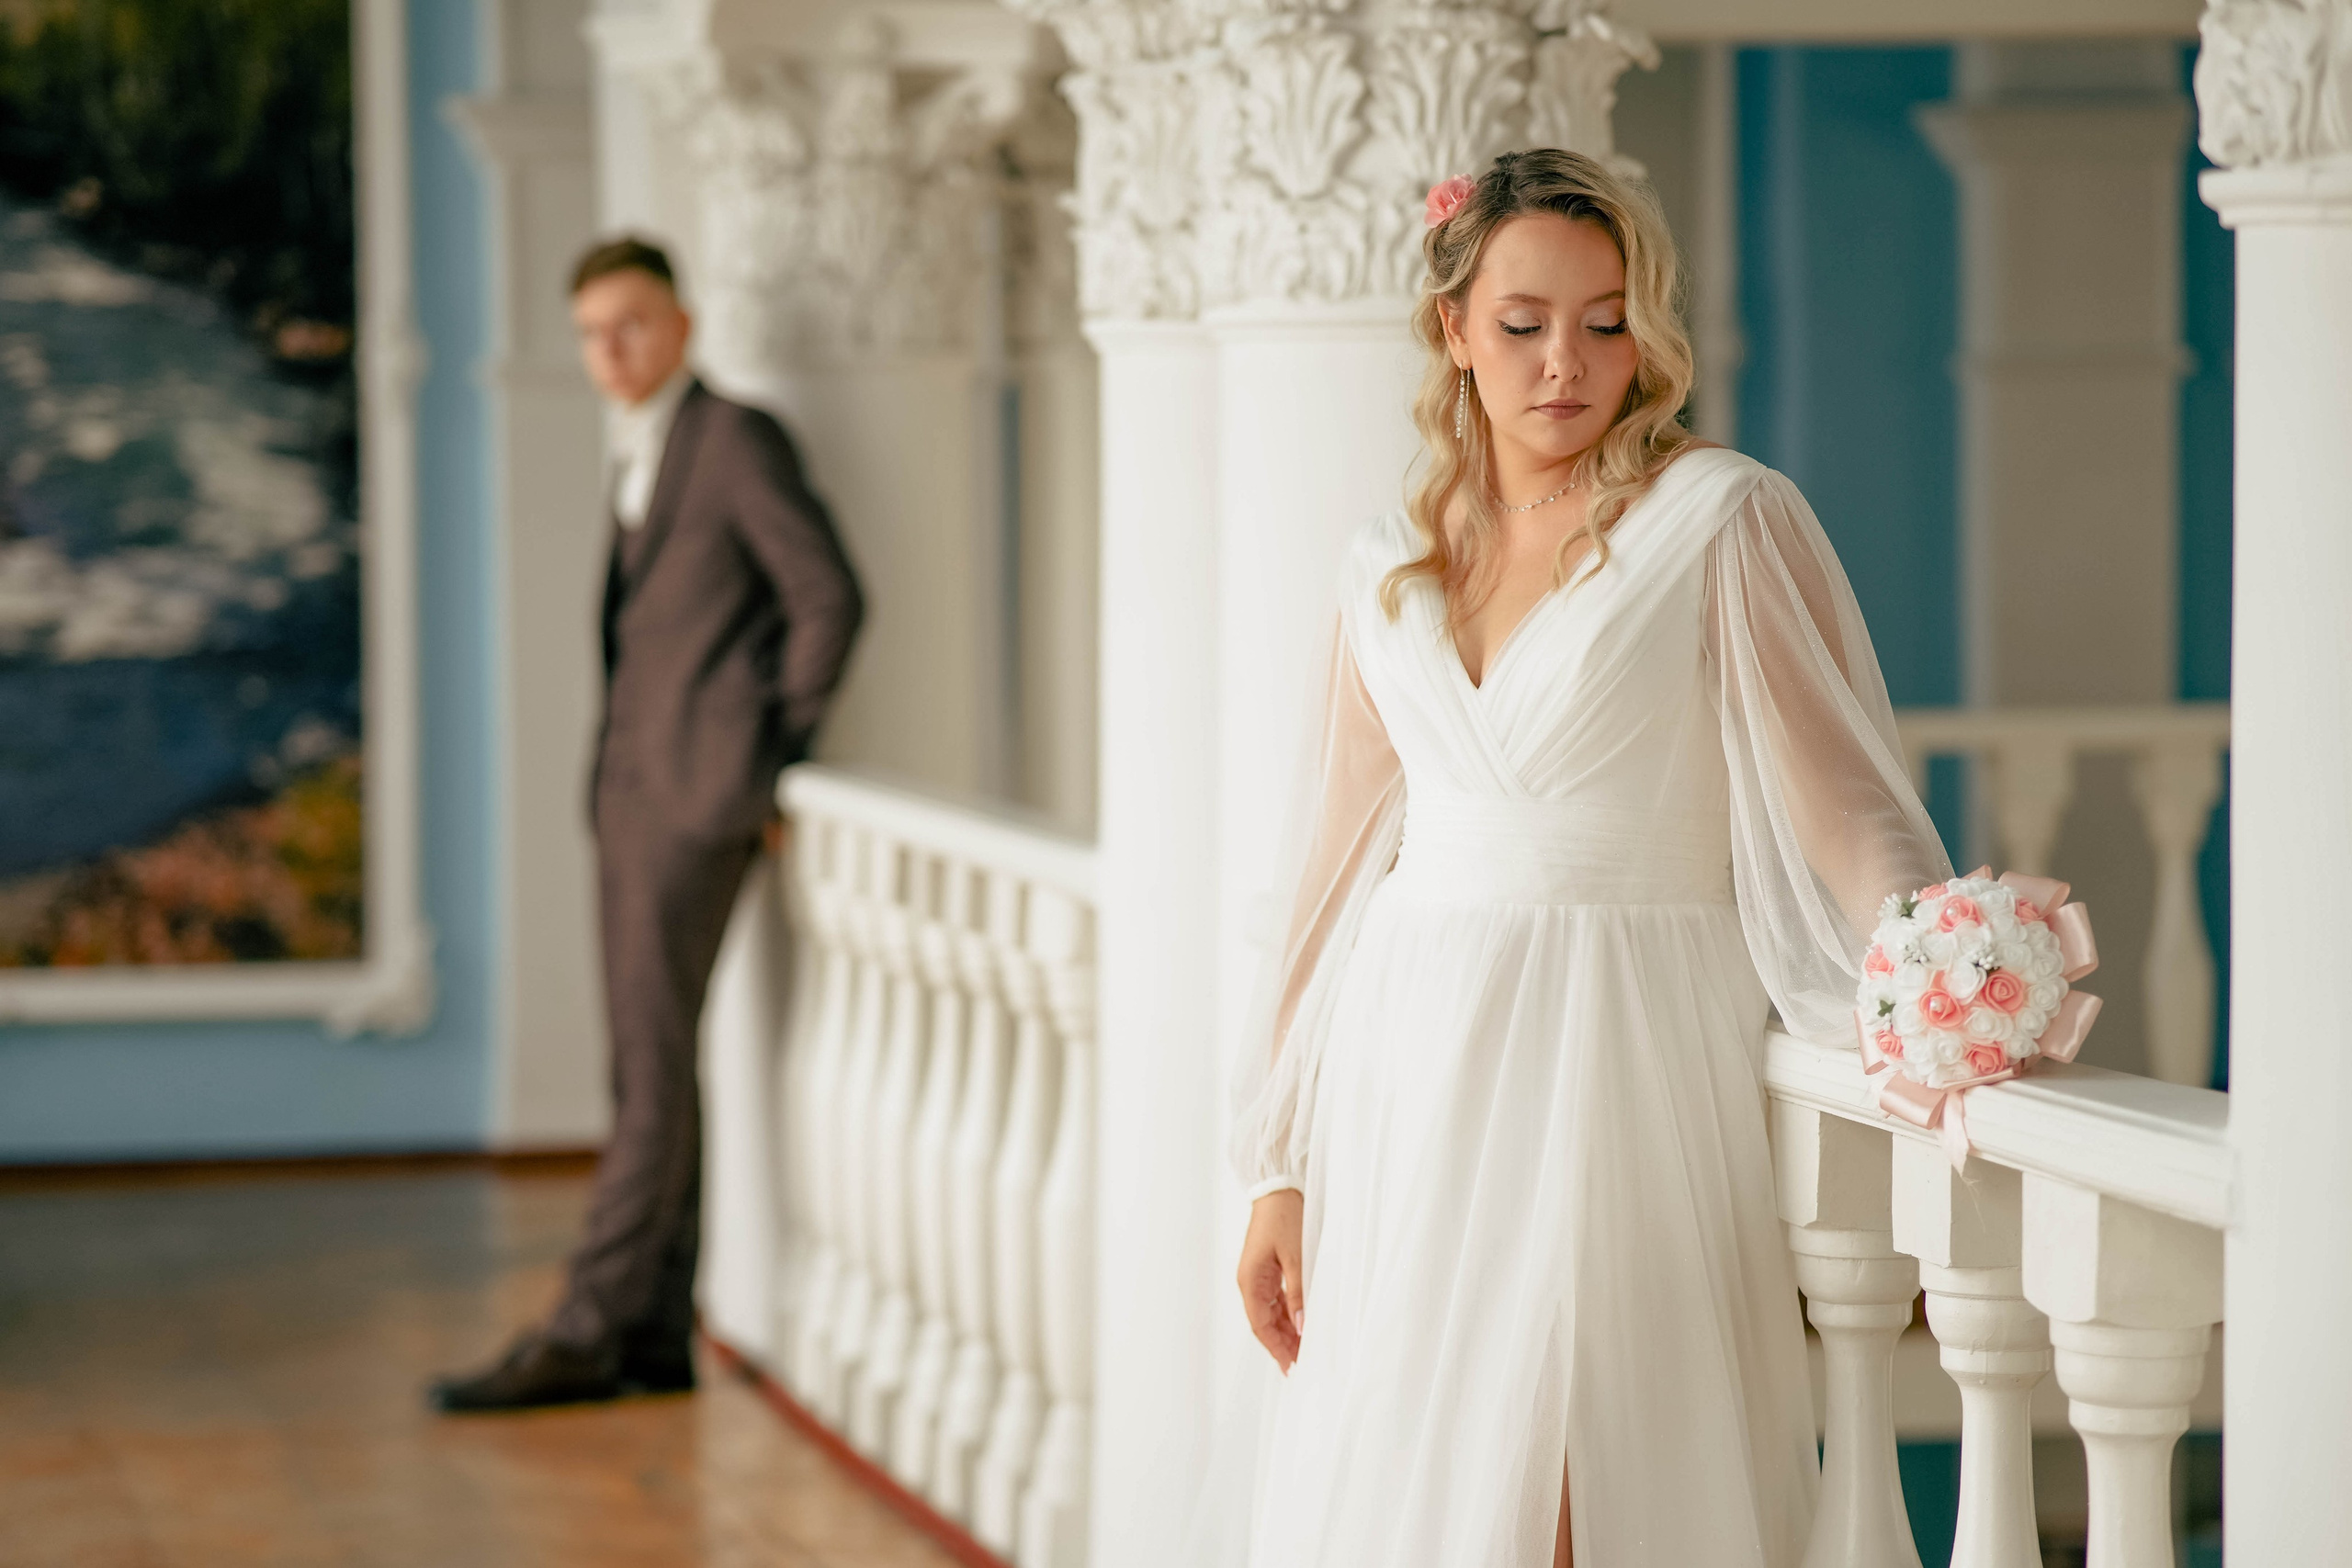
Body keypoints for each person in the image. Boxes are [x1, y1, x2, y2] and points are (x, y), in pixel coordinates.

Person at [1228, 151, 1950, 1564]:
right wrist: (1277, 1161)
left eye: (1607, 320)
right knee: (1429, 1486)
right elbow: (1332, 874)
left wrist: (1948, 978)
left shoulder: (1719, 517)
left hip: (1617, 1056)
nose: (1568, 362)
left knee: (1586, 1481)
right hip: (1413, 1074)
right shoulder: (1390, 562)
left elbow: (1843, 807)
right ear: (1454, 330)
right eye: (1525, 323)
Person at [432, 236, 865, 1413]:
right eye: (588, 333)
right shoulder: (647, 444)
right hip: (631, 794)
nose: (608, 349)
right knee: (648, 1064)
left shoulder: (731, 438)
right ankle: (654, 1335)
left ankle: (584, 1325)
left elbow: (826, 595)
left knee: (652, 1068)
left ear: (679, 325)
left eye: (629, 323)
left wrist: (768, 754)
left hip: (694, 796)